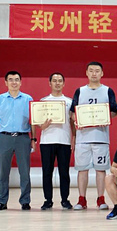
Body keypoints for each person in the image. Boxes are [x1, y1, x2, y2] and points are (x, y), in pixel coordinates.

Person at [70, 61, 117, 211]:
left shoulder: (108, 91)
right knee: (82, 169)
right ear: (86, 73)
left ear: (102, 73)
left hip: (101, 138)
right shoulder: (80, 91)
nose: (94, 73)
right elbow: (72, 113)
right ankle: (81, 199)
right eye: (91, 70)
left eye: (97, 71)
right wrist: (77, 119)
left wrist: (105, 117)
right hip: (82, 138)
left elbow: (114, 111)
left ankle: (101, 199)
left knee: (100, 170)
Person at [0, 71, 36, 211]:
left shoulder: (28, 99)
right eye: (11, 80)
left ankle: (25, 201)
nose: (14, 82)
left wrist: (33, 139)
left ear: (20, 82)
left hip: (23, 138)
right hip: (4, 138)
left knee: (25, 172)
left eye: (16, 79)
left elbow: (33, 121)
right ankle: (2, 201)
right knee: (3, 172)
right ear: (6, 82)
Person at [38, 72, 75, 210]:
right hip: (46, 141)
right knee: (47, 172)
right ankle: (48, 200)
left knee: (64, 173)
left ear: (64, 83)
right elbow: (38, 123)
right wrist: (43, 126)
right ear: (50, 83)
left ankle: (65, 200)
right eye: (54, 80)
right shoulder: (43, 101)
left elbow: (72, 122)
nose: (57, 83)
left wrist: (74, 138)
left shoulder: (69, 102)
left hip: (64, 141)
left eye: (60, 81)